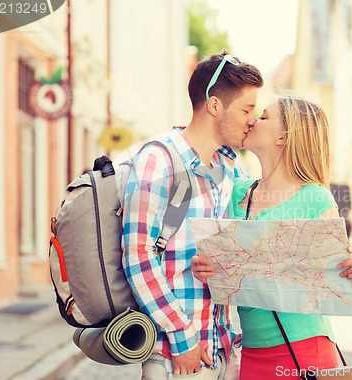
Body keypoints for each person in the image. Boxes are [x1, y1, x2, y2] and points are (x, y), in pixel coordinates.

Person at [192, 96, 352, 379]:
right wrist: (207, 270)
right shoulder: (236, 193)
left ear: (284, 137)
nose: (252, 120)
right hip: (250, 350)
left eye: (263, 117)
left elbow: (334, 279)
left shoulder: (315, 197)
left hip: (305, 349)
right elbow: (227, 268)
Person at [121, 50, 263, 380]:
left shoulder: (230, 168)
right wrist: (182, 337)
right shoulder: (160, 160)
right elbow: (137, 254)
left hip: (223, 348)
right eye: (246, 109)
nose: (252, 119)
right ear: (215, 106)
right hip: (179, 356)